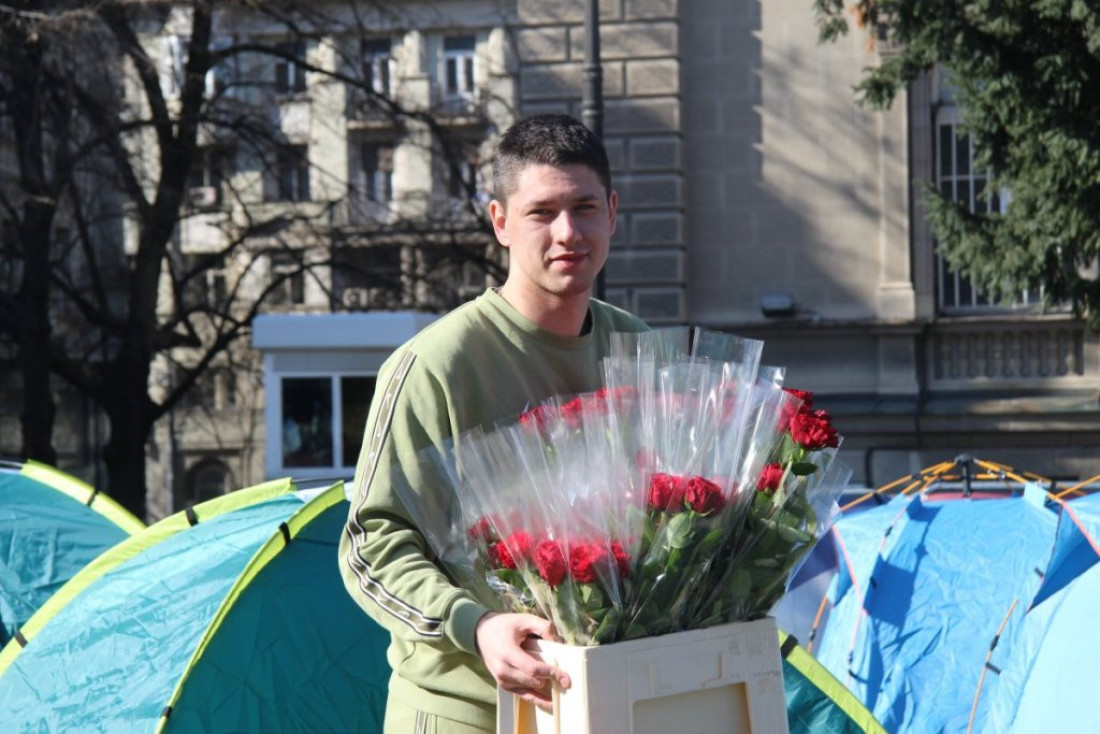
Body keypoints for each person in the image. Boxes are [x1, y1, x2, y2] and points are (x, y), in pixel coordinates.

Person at [339, 113, 648, 733]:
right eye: (541, 213)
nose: (567, 232)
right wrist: (475, 625)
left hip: (605, 707)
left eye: (585, 208)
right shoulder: (435, 366)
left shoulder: (638, 348)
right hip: (466, 713)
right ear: (501, 222)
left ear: (612, 213)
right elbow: (371, 546)